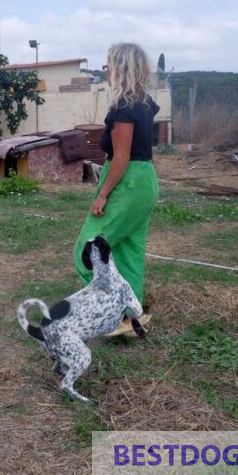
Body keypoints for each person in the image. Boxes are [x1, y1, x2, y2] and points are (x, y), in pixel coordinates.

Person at [72, 43, 159, 336]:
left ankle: (110, 312)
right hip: (146, 178)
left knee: (88, 249)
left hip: (128, 181)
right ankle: (132, 317)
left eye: (109, 65)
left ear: (121, 68)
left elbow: (121, 158)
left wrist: (102, 193)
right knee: (128, 249)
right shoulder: (144, 102)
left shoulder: (124, 108)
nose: (106, 70)